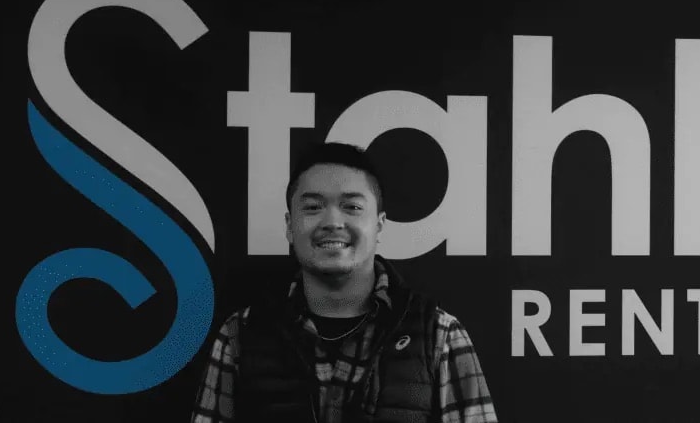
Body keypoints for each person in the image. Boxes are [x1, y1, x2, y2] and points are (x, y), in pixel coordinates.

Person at [191, 142, 498, 423]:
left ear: (379, 225)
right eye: (312, 207)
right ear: (289, 226)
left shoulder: (439, 335)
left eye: (351, 207)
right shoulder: (239, 335)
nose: (332, 223)